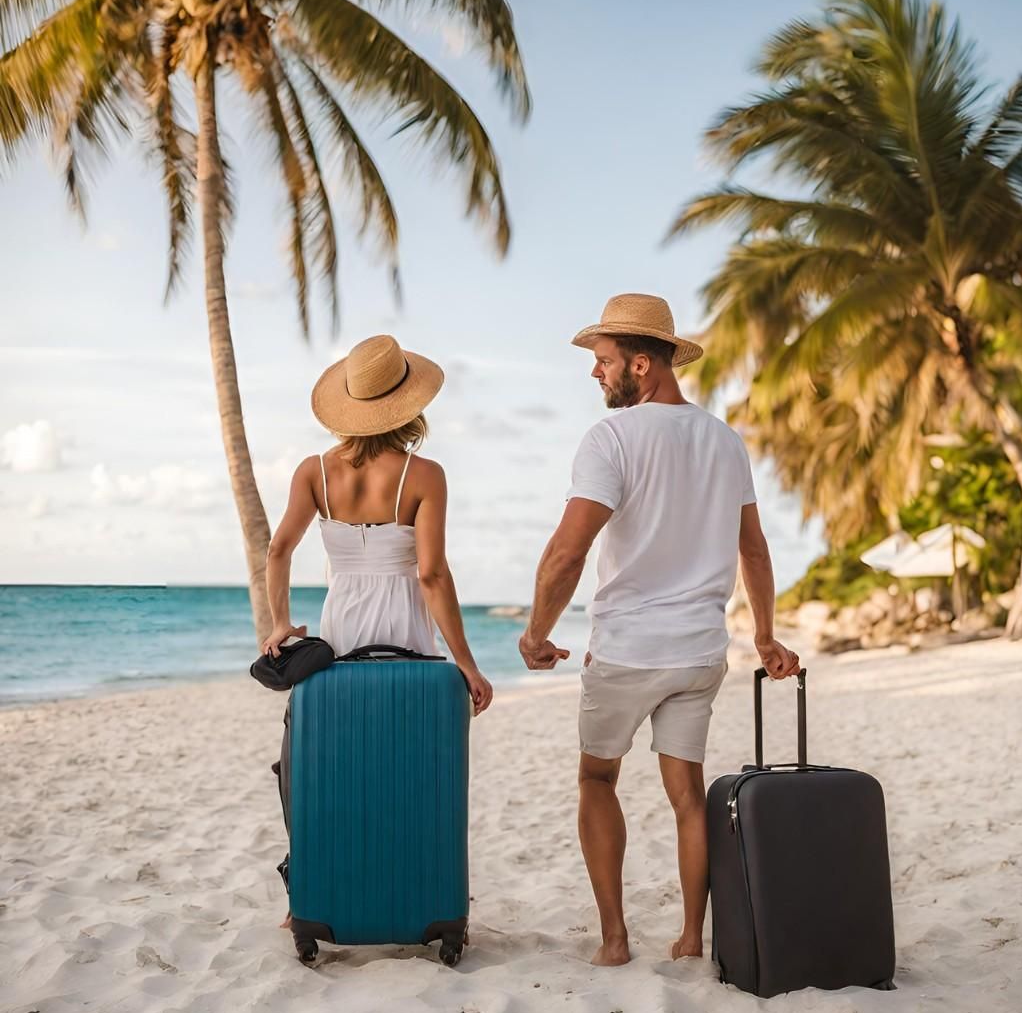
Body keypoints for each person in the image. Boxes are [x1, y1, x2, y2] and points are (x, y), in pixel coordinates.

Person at [519, 293, 800, 967]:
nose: (595, 374)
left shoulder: (611, 439)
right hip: (701, 651)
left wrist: (536, 633)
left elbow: (567, 552)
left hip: (627, 650)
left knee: (596, 780)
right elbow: (754, 550)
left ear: (642, 365)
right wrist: (764, 634)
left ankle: (615, 940)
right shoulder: (723, 440)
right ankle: (690, 938)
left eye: (604, 361)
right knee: (686, 795)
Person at [262, 334, 493, 715]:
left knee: (352, 725)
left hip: (342, 613)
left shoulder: (313, 471)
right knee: (405, 726)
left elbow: (278, 550)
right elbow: (432, 575)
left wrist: (280, 623)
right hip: (404, 614)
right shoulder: (426, 475)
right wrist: (465, 663)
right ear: (409, 405)